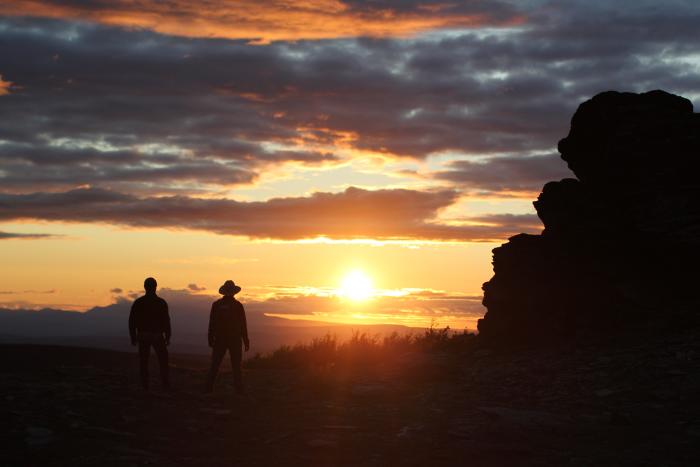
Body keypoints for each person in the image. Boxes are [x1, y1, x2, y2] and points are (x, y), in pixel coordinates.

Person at [205, 280, 250, 394]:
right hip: (234, 339)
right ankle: (238, 389)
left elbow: (212, 323)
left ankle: (209, 388)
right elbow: (243, 324)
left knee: (215, 364)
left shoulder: (216, 305)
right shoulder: (238, 306)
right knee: (236, 365)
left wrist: (210, 338)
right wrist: (246, 340)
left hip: (220, 339)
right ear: (234, 292)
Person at [128, 277, 171, 391]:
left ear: (145, 287)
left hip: (143, 335)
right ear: (155, 287)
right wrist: (168, 336)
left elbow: (132, 321)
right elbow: (166, 321)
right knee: (163, 360)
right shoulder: (161, 302)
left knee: (144, 361)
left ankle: (145, 385)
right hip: (157, 335)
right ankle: (164, 383)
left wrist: (133, 336)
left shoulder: (139, 302)